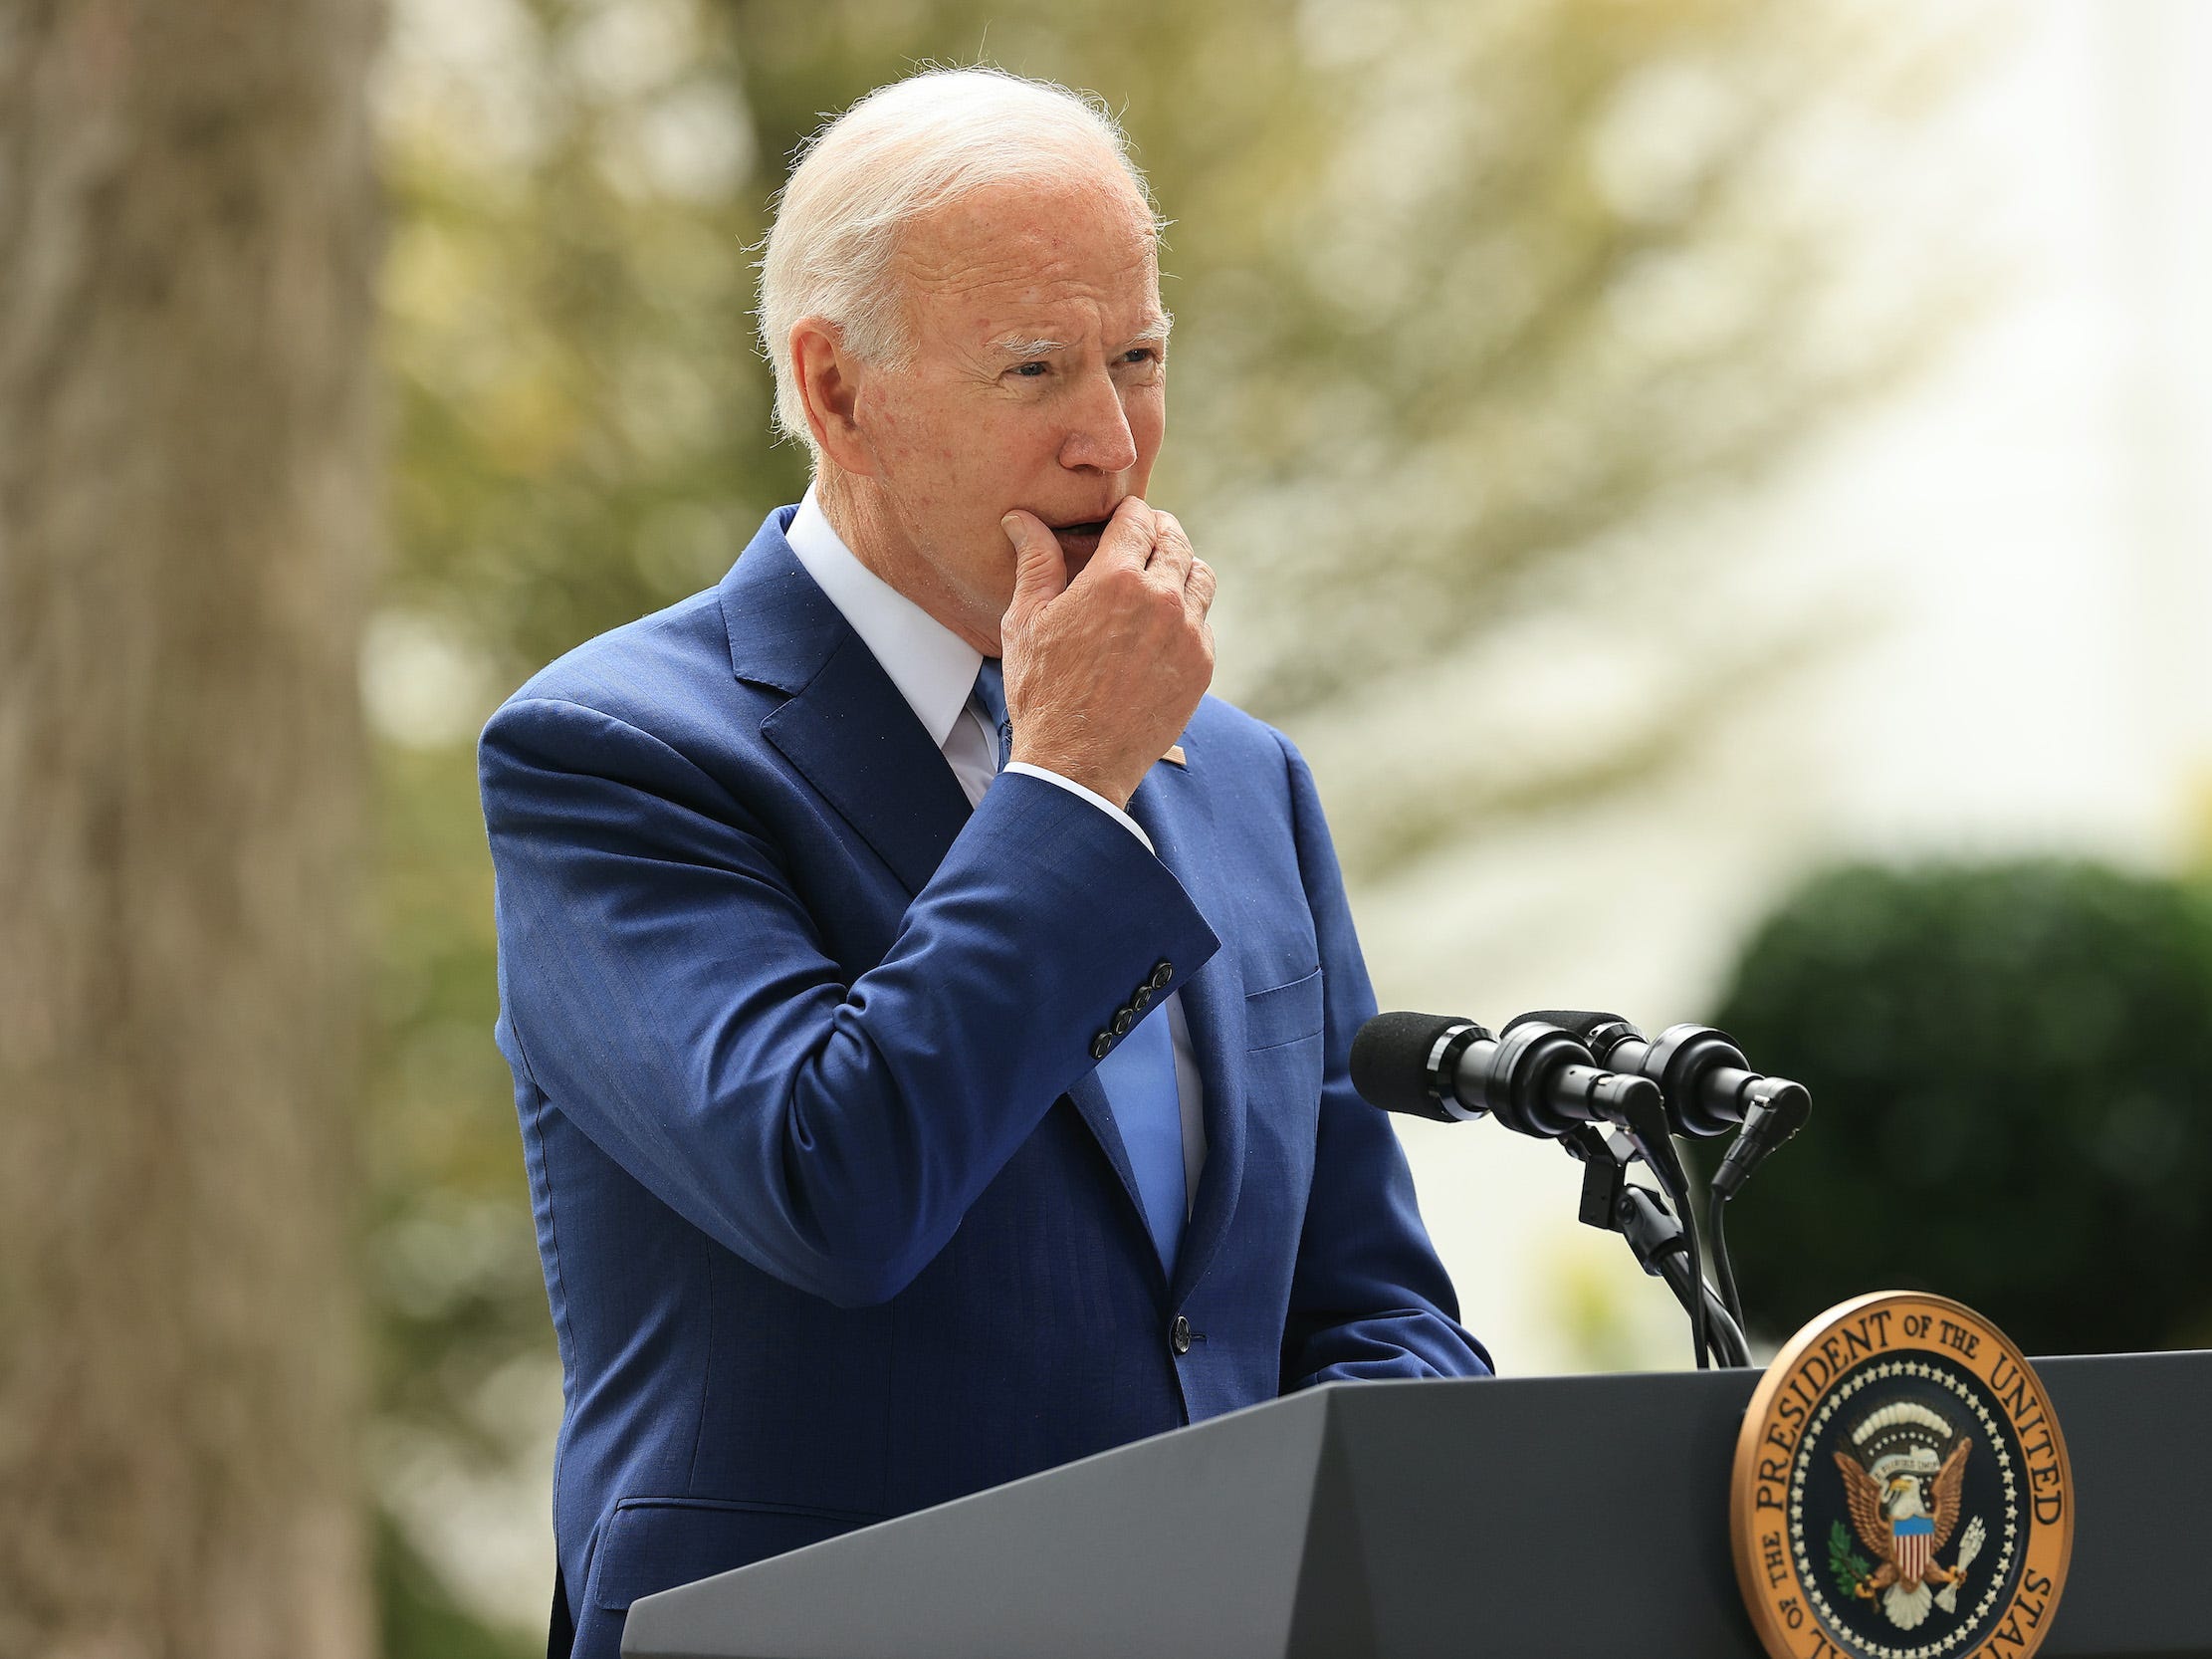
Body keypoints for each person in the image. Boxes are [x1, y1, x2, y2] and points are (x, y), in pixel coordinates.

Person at [479, 66, 1492, 1659]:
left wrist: (1363, 1543)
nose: (1112, 439)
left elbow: (1364, 1297)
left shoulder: (1243, 778)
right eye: (1034, 366)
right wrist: (1069, 784)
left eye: (1139, 356)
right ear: (837, 391)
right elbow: (835, 1184)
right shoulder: (610, 753)